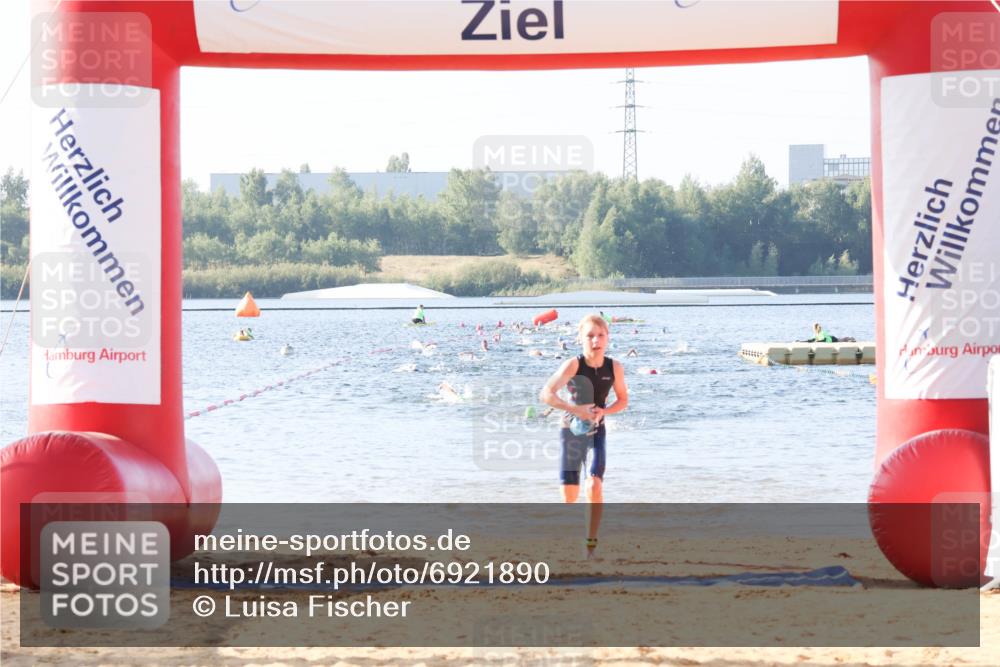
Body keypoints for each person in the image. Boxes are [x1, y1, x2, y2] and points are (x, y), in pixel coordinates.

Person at [540, 314, 629, 560]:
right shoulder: (573, 365)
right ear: (580, 338)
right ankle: (566, 534)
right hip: (571, 431)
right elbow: (546, 394)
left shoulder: (615, 368)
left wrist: (605, 411)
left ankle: (590, 544)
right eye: (589, 336)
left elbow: (623, 400)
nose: (595, 341)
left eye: (600, 336)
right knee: (569, 496)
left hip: (596, 430)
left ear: (607, 338)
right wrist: (575, 409)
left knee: (594, 484)